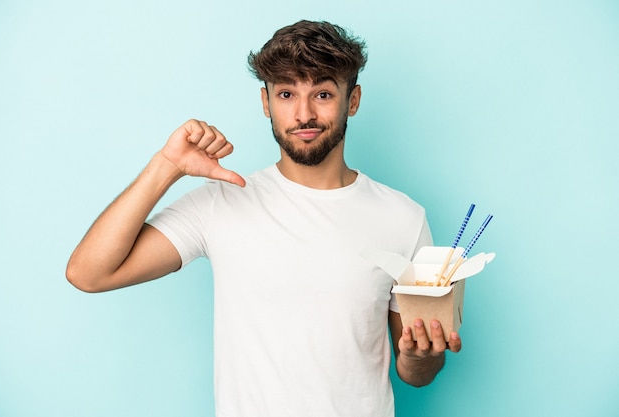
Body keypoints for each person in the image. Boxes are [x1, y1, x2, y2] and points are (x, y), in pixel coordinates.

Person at [66, 20, 462, 417]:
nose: (304, 113)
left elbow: (416, 373)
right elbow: (89, 274)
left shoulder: (403, 217)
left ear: (352, 100)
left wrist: (419, 356)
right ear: (265, 102)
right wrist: (166, 166)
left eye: (322, 93)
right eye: (287, 93)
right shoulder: (222, 202)